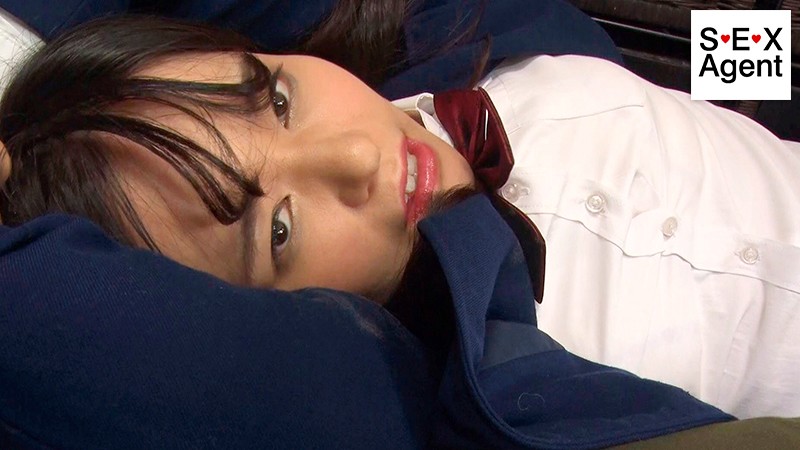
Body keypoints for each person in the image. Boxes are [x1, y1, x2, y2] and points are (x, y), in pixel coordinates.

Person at [2, 12, 800, 450]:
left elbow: (698, 72)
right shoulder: (508, 397)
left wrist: (775, 48)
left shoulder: (466, 39)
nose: (354, 156)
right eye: (279, 230)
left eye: (276, 98)